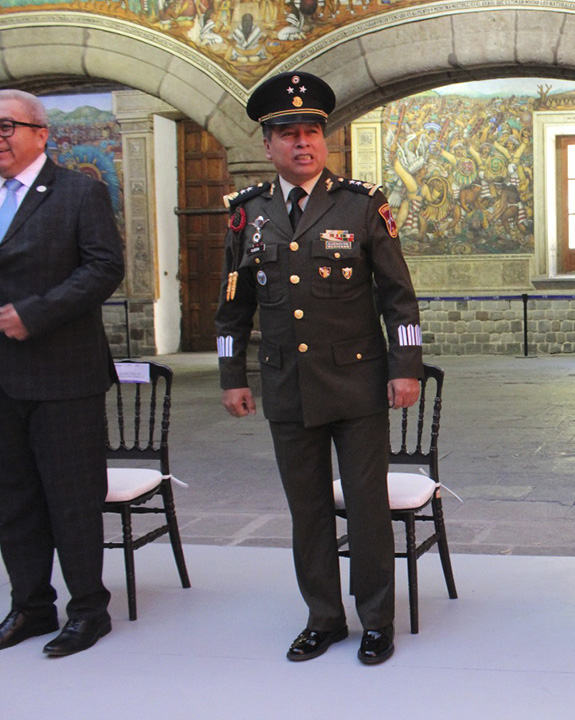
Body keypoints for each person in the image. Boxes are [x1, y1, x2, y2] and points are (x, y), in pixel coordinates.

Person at [215, 71, 423, 665]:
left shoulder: (362, 205)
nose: (301, 143)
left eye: (310, 132)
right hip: (286, 386)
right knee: (306, 511)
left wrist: (404, 366)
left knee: (365, 509)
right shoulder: (247, 215)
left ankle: (376, 620)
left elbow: (399, 298)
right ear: (268, 145)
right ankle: (324, 617)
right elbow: (232, 308)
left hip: (356, 384)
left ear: (324, 140)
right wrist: (232, 376)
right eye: (288, 134)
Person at [0, 89, 124, 656]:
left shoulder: (79, 191)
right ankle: (30, 606)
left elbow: (104, 267)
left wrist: (35, 313)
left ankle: (87, 610)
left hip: (62, 376)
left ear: (41, 133)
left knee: (72, 498)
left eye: (7, 126)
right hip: (2, 380)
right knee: (13, 499)